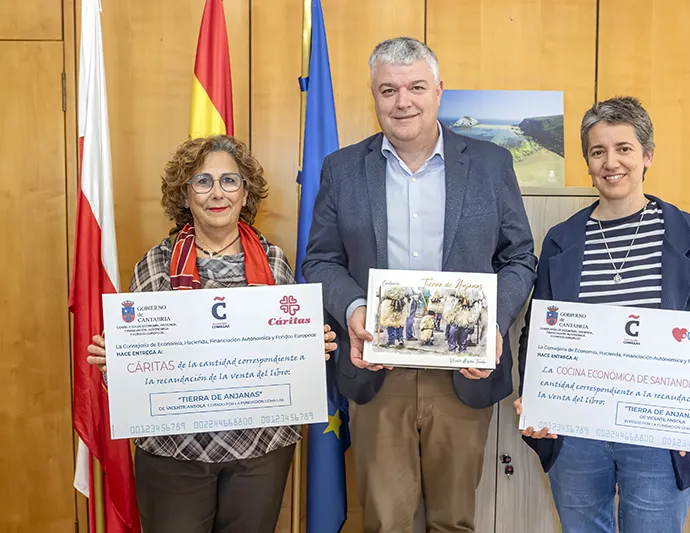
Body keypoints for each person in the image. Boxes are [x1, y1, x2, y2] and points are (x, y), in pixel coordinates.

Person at [302, 36, 536, 532]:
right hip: (377, 372)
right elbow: (320, 261)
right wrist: (353, 310)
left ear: (438, 92)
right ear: (374, 96)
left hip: (463, 377)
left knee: (454, 521)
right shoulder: (342, 170)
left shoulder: (491, 164)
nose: (402, 101)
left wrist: (492, 322)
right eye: (388, 90)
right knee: (387, 522)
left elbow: (519, 258)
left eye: (415, 87)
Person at [85, 135, 337, 533]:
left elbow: (290, 355)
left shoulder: (274, 262)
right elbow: (135, 372)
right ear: (185, 195)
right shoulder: (155, 265)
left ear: (245, 193)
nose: (216, 193)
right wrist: (114, 361)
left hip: (260, 450)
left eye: (229, 181)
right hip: (173, 453)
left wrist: (310, 348)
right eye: (202, 181)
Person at [515, 96, 690, 533]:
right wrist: (536, 401)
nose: (611, 162)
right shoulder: (562, 239)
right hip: (576, 428)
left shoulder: (687, 233)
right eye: (598, 151)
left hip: (661, 435)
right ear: (587, 162)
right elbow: (538, 334)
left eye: (624, 148)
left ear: (647, 156)